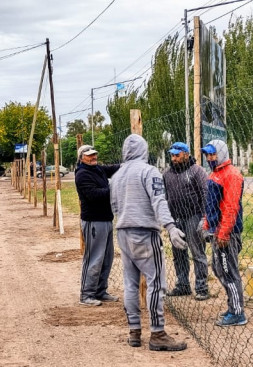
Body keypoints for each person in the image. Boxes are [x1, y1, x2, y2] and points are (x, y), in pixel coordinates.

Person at [110, 134, 189, 351]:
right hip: (145, 233)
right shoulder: (149, 171)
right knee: (156, 283)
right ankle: (157, 333)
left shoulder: (116, 176)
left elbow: (115, 207)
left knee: (130, 284)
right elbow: (159, 201)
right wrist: (170, 227)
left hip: (123, 233)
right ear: (144, 150)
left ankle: (134, 332)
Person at [200, 139, 247, 327]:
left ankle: (237, 313)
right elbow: (210, 205)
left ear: (222, 154)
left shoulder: (232, 175)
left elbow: (230, 207)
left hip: (226, 234)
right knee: (219, 269)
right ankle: (232, 306)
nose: (210, 158)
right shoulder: (215, 174)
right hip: (215, 231)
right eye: (208, 155)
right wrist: (206, 226)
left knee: (228, 271)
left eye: (213, 154)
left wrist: (224, 233)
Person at [162, 142, 211, 301]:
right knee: (178, 252)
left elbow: (205, 194)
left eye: (177, 154)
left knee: (197, 252)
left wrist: (205, 218)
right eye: (172, 155)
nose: (174, 157)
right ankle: (183, 285)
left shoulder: (197, 171)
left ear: (186, 154)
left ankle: (202, 287)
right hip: (176, 217)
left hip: (193, 215)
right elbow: (164, 196)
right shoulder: (167, 173)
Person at [74, 144, 120, 307]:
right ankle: (86, 294)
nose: (93, 157)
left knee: (106, 258)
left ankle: (100, 291)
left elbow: (114, 168)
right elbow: (94, 195)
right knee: (94, 258)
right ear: (81, 158)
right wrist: (114, 188)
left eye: (94, 154)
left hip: (106, 219)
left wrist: (130, 164)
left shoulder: (97, 169)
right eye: (89, 155)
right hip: (93, 221)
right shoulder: (82, 174)